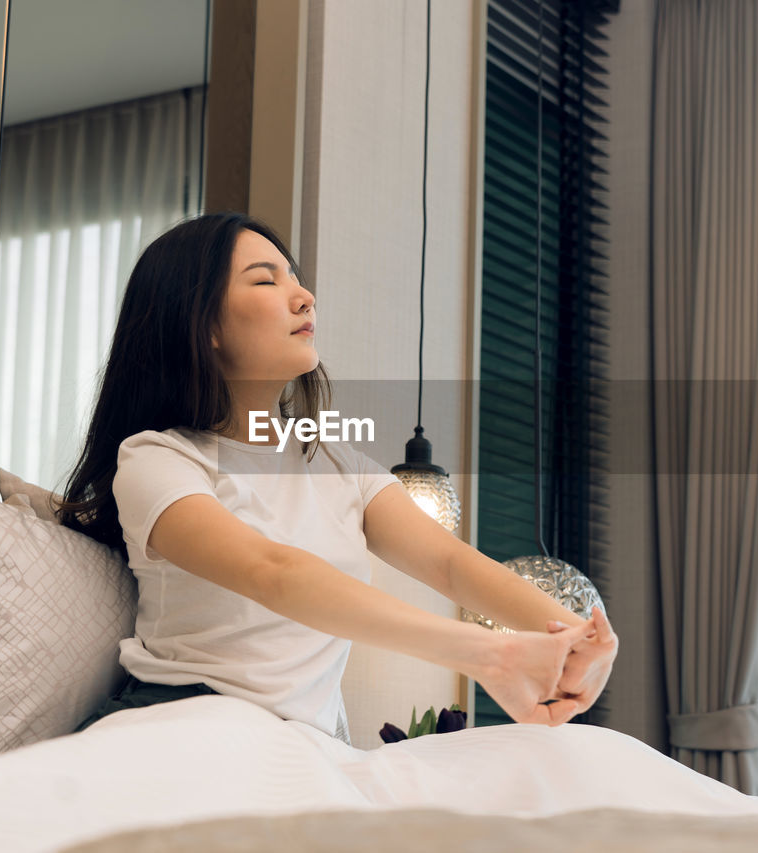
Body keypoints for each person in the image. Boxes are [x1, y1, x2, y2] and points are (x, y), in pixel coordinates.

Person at [59, 212, 617, 742]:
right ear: (204, 326)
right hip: (181, 722)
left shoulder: (337, 465)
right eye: (265, 281)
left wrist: (578, 637)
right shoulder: (156, 459)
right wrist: (487, 654)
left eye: (296, 278)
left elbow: (451, 565)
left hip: (299, 745)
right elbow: (272, 572)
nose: (304, 296)